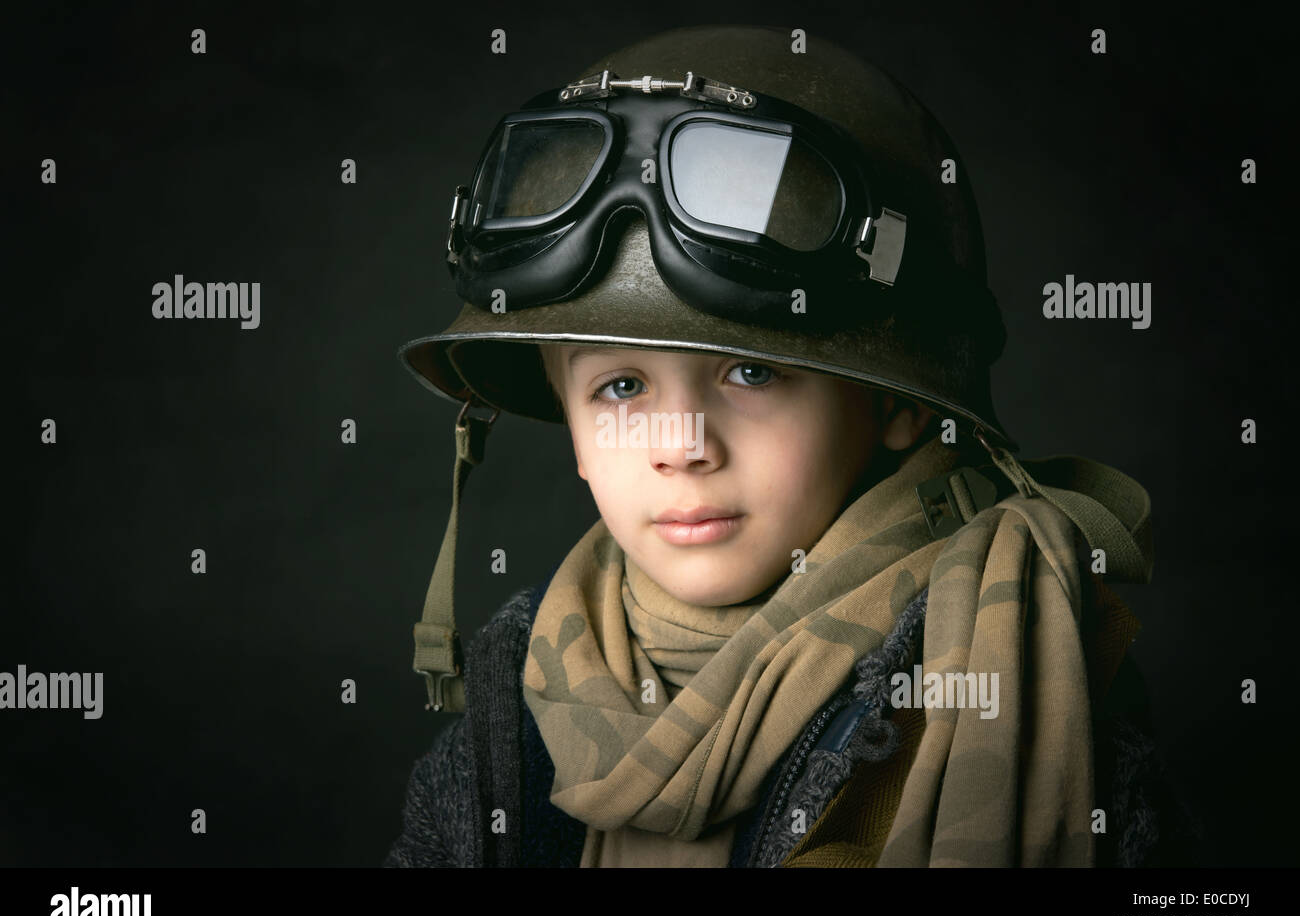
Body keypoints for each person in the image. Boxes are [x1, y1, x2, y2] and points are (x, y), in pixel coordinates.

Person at [383, 24, 1199, 867]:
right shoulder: (502, 734)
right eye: (621, 387)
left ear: (895, 404)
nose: (681, 444)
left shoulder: (1017, 675)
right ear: (572, 432)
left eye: (751, 372)